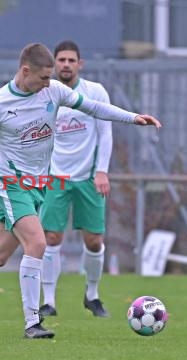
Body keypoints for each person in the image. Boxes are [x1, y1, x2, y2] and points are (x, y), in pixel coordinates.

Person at [0, 43, 161, 339]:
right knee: (37, 243)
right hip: (10, 184)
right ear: (25, 71)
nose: (48, 83)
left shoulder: (53, 91)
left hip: (38, 188)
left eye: (50, 78)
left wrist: (132, 117)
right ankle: (33, 323)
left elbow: (93, 107)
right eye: (43, 78)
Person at [39, 40, 113, 318]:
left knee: (93, 240)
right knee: (51, 237)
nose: (66, 65)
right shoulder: (45, 92)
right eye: (61, 60)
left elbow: (105, 133)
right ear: (54, 64)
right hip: (55, 177)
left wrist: (102, 170)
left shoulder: (95, 92)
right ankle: (49, 301)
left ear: (80, 64)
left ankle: (92, 295)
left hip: (88, 177)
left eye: (71, 60)